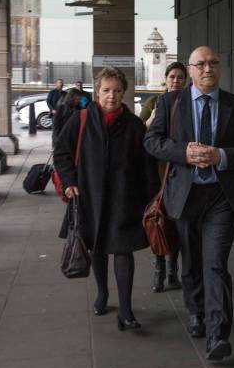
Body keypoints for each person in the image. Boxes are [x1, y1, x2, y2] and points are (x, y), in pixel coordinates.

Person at [144, 46, 234, 361]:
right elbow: (152, 142)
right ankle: (195, 311)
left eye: (213, 63)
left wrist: (221, 156)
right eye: (201, 64)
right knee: (192, 262)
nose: (208, 68)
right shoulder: (170, 102)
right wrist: (184, 153)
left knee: (215, 264)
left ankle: (217, 334)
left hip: (222, 198)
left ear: (219, 68)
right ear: (191, 71)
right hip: (185, 195)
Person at [54, 67, 160, 331]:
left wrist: (153, 198)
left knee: (123, 251)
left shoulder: (135, 125)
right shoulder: (80, 120)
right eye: (106, 90)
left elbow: (146, 165)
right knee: (98, 249)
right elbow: (62, 153)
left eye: (117, 91)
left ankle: (125, 310)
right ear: (97, 91)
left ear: (124, 93)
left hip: (126, 199)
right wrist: (69, 183)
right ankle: (102, 293)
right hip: (90, 198)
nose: (111, 96)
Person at [139, 61, 187, 293]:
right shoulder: (153, 103)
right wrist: (152, 120)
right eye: (172, 77)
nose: (175, 81)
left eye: (180, 77)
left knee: (176, 224)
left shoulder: (189, 102)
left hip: (179, 172)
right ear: (165, 80)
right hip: (157, 173)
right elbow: (142, 133)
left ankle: (172, 271)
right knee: (158, 220)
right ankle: (159, 271)